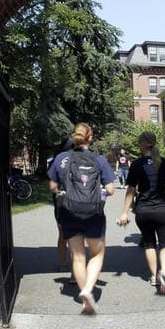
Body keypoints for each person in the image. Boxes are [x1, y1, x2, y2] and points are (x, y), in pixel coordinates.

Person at [47, 123, 115, 314]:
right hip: (93, 213)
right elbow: (110, 190)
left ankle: (84, 295)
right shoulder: (99, 159)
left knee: (77, 256)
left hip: (69, 212)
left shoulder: (61, 159)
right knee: (97, 254)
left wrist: (63, 190)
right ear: (89, 137)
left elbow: (52, 186)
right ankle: (87, 289)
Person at [117, 131, 165, 295]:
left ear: (143, 144)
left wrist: (124, 213)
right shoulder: (164, 162)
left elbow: (130, 190)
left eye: (138, 142)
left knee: (150, 244)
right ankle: (164, 272)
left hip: (144, 210)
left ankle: (153, 276)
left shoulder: (136, 164)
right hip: (163, 209)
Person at [48, 137, 74, 272]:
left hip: (61, 201)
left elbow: (52, 186)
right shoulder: (83, 158)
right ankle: (77, 270)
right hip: (80, 201)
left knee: (63, 235)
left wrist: (59, 191)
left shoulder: (56, 159)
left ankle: (63, 264)